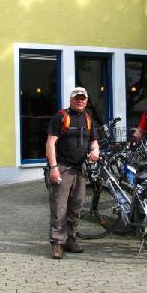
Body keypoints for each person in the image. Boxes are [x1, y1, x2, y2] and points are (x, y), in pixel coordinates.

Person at [46, 87, 99, 260]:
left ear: (86, 100)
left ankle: (70, 240)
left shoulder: (88, 118)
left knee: (76, 207)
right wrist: (53, 168)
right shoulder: (60, 117)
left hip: (80, 169)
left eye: (83, 98)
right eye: (77, 98)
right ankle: (57, 243)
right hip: (63, 168)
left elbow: (94, 142)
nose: (80, 100)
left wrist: (95, 151)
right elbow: (50, 143)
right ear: (71, 100)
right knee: (59, 207)